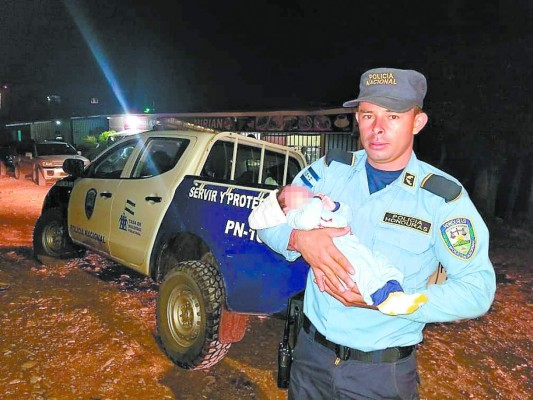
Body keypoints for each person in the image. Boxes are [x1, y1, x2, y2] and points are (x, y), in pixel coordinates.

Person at [255, 67, 496, 399]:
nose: (377, 128)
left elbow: (477, 290)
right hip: (311, 358)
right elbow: (267, 216)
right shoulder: (328, 171)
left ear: (417, 122)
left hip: (380, 375)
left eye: (393, 116)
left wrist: (399, 303)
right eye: (369, 115)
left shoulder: (441, 198)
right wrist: (298, 240)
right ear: (358, 118)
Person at [249, 184, 428, 315]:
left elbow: (345, 217)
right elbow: (306, 222)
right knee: (360, 268)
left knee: (379, 261)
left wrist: (334, 206)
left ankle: (395, 289)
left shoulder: (318, 209)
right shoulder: (295, 217)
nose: (302, 191)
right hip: (337, 248)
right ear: (286, 209)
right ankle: (382, 297)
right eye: (295, 193)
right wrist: (315, 202)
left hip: (350, 242)